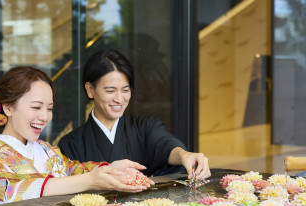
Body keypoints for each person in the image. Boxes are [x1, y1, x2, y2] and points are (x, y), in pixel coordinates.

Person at [0, 66, 154, 206]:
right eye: (36, 107)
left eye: (49, 108)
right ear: (8, 107)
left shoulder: (46, 150)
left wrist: (112, 170)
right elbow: (6, 188)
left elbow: (75, 170)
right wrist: (90, 181)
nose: (45, 117)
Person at [58, 49, 211, 180]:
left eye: (125, 90)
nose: (119, 99)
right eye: (110, 91)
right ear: (90, 89)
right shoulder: (70, 144)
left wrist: (184, 155)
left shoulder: (145, 127)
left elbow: (165, 145)